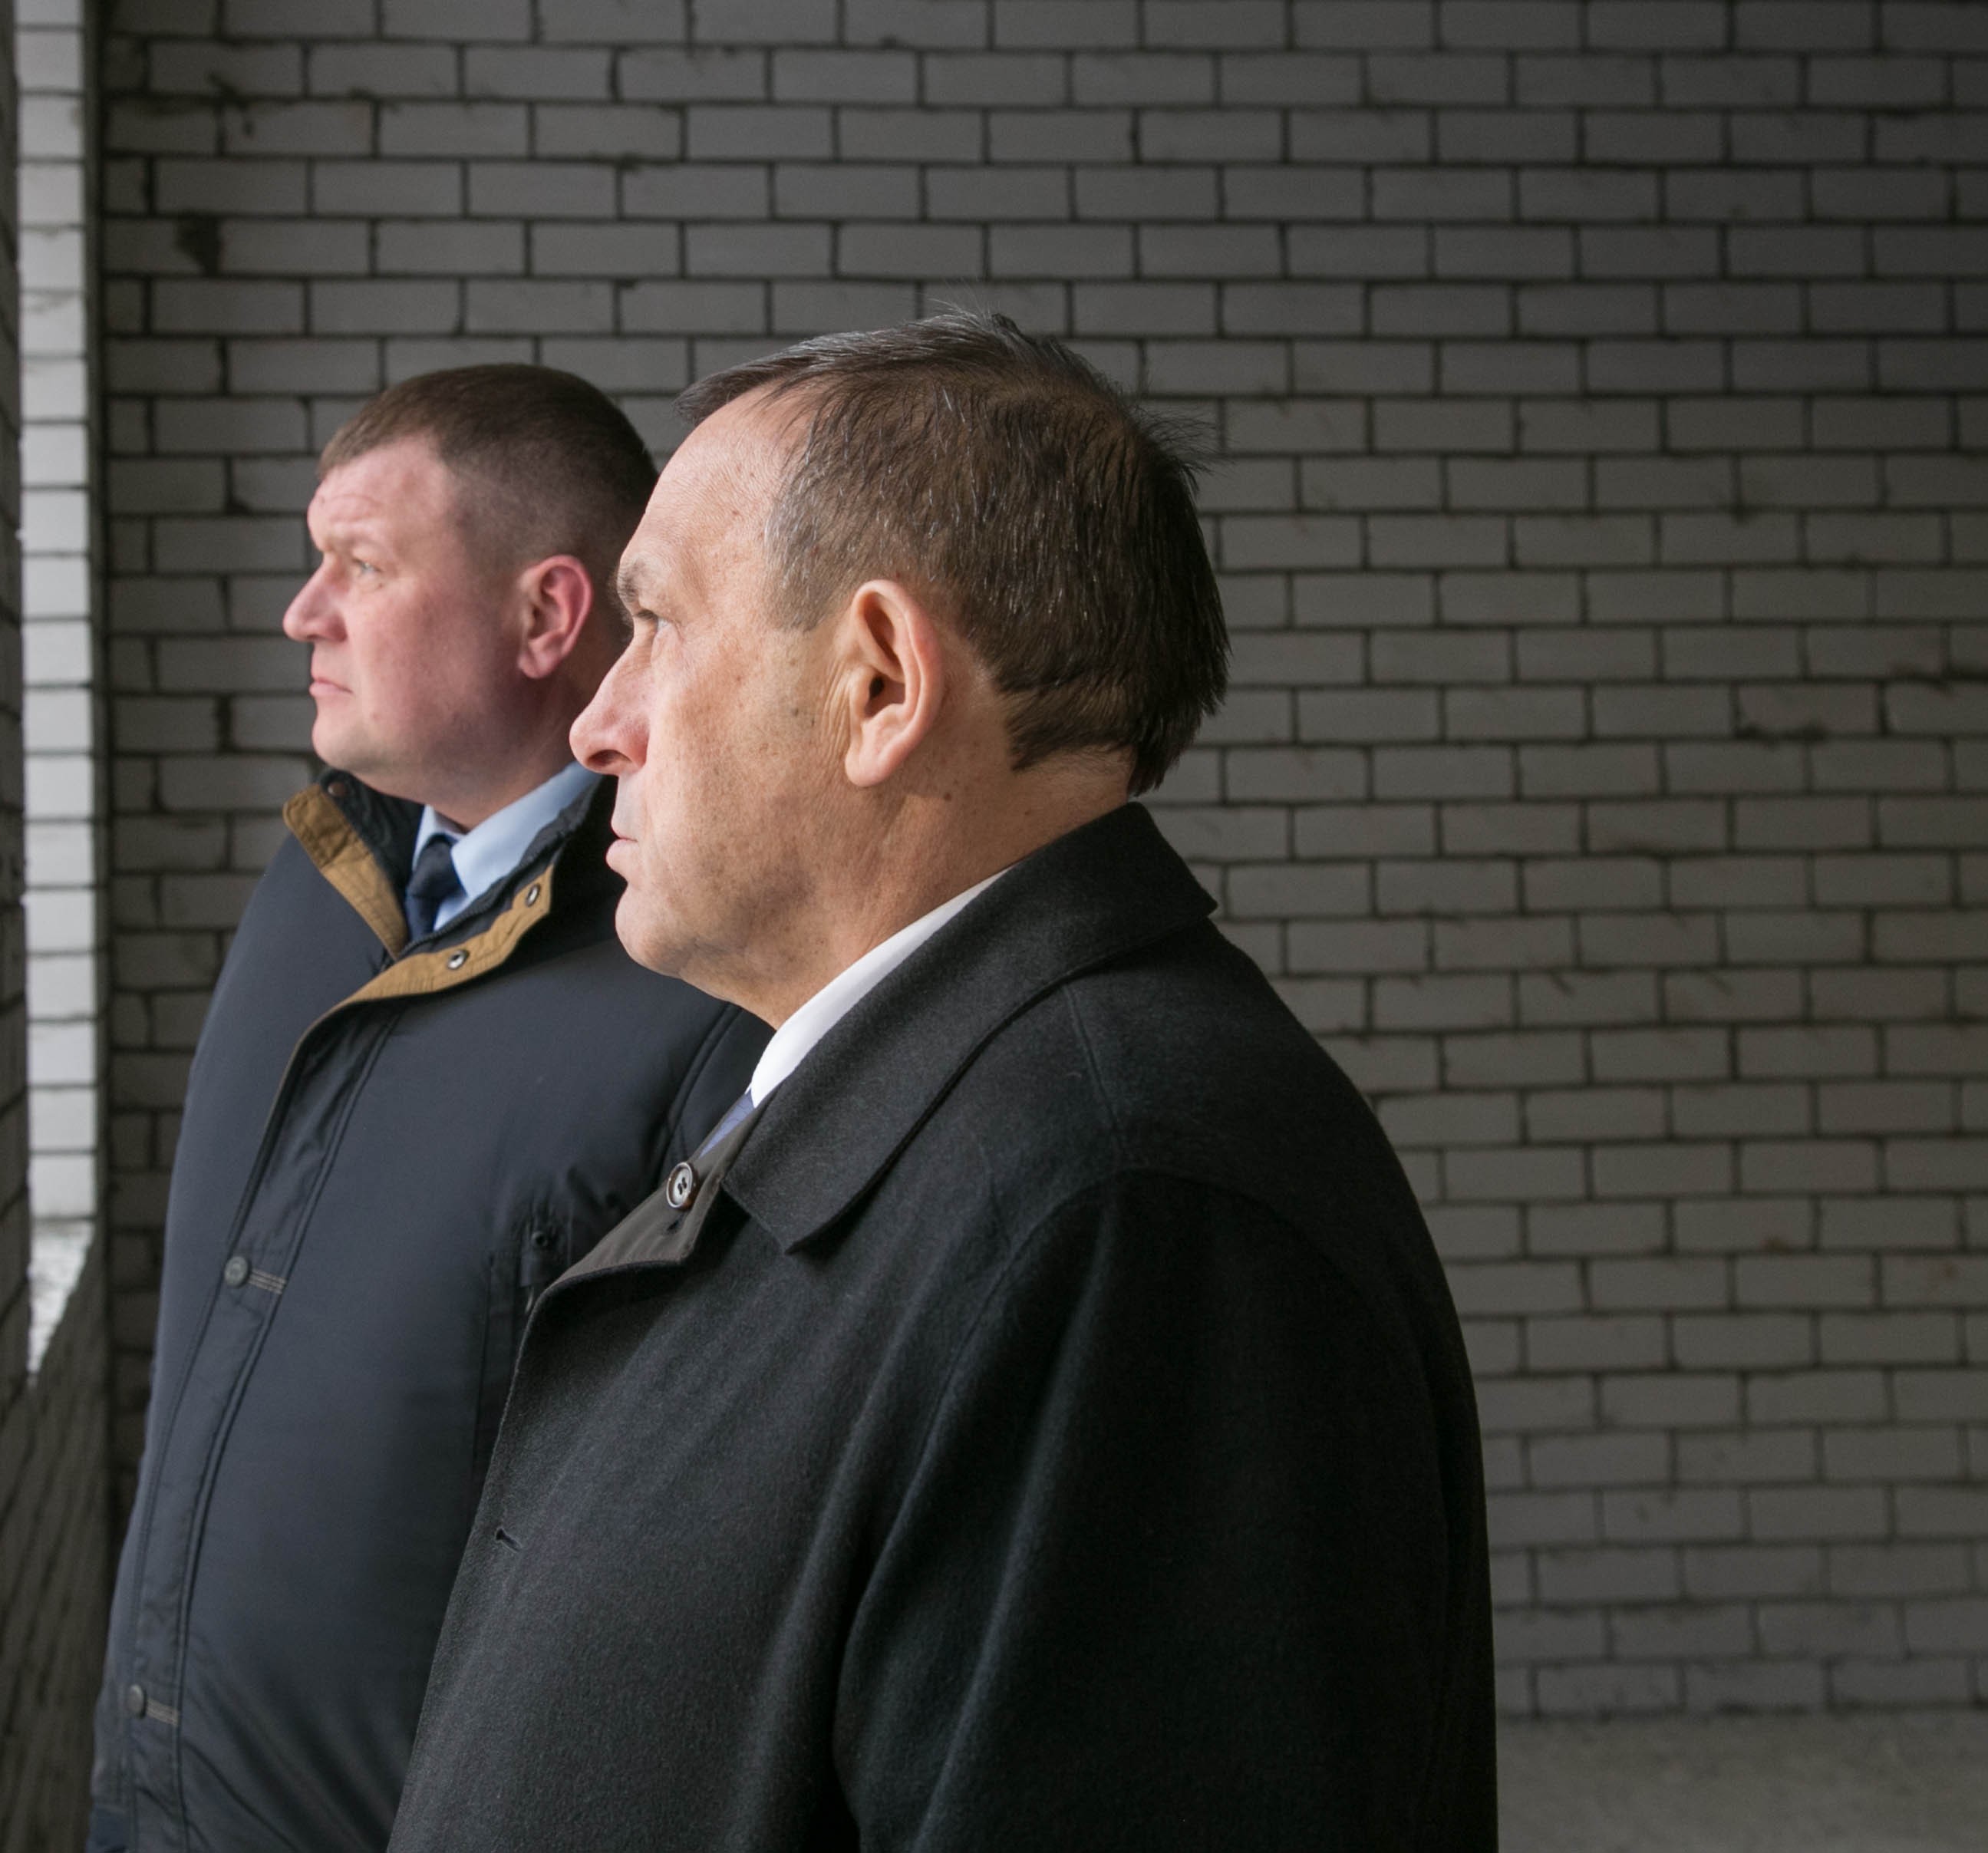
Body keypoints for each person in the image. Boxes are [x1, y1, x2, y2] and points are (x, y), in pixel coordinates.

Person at [388, 315, 1497, 1851]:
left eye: (658, 623)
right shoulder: (968, 1126)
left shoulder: (1127, 1212)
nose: (598, 725)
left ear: (880, 684)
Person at [84, 365, 764, 1853]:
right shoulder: (321, 879)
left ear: (546, 617)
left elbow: (691, 1569)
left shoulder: (700, 986)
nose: (303, 613)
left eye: (363, 565)